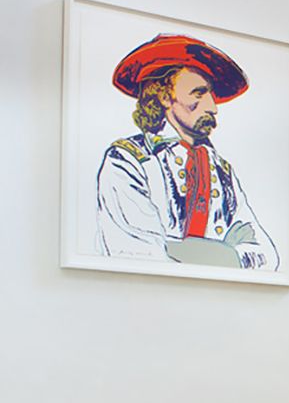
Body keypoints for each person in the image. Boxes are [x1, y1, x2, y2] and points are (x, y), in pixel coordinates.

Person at [95, 34, 279, 270]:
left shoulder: (222, 171)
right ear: (163, 96)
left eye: (211, 95)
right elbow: (138, 256)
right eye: (198, 93)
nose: (213, 107)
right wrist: (224, 254)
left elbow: (266, 257)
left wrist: (179, 250)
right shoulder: (128, 160)